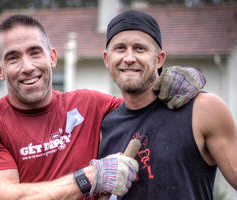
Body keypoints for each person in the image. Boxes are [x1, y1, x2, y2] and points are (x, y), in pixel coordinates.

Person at [0, 14, 205, 200]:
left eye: (35, 53)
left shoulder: (90, 105)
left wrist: (183, 78)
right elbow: (7, 197)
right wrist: (91, 178)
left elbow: (147, 103)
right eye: (13, 58)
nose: (27, 67)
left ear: (52, 57)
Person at [98, 10, 237, 200]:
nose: (129, 58)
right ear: (107, 59)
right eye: (120, 48)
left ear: (159, 59)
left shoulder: (203, 110)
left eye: (140, 48)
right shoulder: (104, 127)